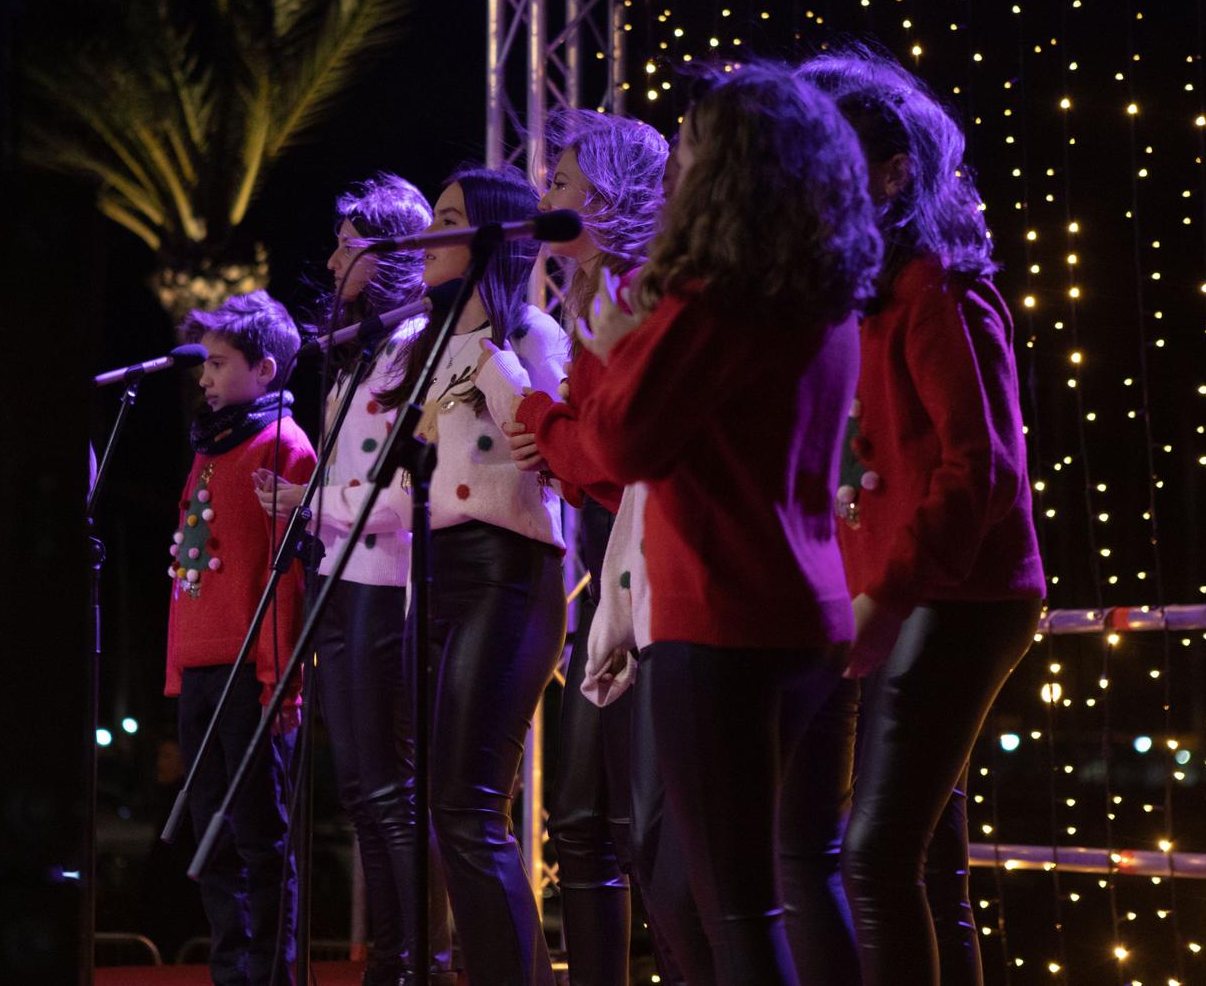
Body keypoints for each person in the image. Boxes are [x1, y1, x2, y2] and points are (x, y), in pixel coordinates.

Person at [511, 63, 882, 986]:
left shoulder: (715, 292)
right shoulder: (820, 290)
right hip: (808, 610)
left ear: (728, 164)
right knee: (774, 885)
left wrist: (577, 385)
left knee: (731, 906)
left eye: (690, 141)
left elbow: (626, 439)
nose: (676, 157)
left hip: (719, 611)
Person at [801, 46, 1047, 986]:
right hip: (911, 592)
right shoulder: (861, 300)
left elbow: (976, 468)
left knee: (872, 853)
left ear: (893, 173)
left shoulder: (938, 285)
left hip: (962, 593)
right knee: (920, 856)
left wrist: (888, 595)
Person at [489, 109, 683, 986]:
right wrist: (565, 437)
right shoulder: (596, 296)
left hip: (645, 565)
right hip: (609, 559)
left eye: (560, 184)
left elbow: (610, 456)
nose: (545, 198)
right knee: (582, 817)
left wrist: (540, 417)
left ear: (605, 197)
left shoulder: (640, 297)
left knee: (644, 826)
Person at [373, 164, 570, 986]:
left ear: (489, 231)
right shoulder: (419, 346)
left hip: (507, 566)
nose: (428, 234)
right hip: (437, 570)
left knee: (468, 803)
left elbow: (553, 454)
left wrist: (494, 361)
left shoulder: (532, 332)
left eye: (448, 217)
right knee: (441, 803)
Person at [252, 174, 445, 986]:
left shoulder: (414, 350)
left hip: (386, 583)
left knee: (393, 788)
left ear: (394, 249)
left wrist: (310, 498)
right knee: (364, 787)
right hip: (340, 578)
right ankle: (393, 958)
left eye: (349, 243)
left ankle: (416, 960)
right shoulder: (357, 354)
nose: (332, 259)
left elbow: (407, 497)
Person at [167, 291, 318, 986]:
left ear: (264, 369)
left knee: (259, 832)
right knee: (211, 835)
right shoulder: (210, 444)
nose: (204, 377)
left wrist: (277, 675)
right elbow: (191, 568)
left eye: (219, 363)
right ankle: (231, 972)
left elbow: (283, 573)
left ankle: (270, 975)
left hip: (251, 671)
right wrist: (176, 670)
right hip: (201, 669)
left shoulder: (282, 445)